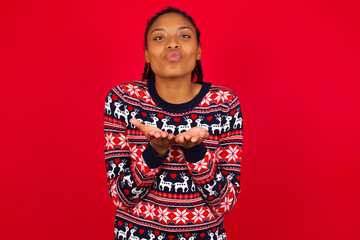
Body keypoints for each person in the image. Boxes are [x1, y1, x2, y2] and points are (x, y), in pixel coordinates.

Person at [104, 7, 243, 240]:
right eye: (159, 37)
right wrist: (154, 152)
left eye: (184, 36)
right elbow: (122, 198)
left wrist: (196, 152)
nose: (172, 44)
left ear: (198, 51)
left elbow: (224, 204)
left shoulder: (224, 104)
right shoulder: (123, 100)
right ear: (147, 54)